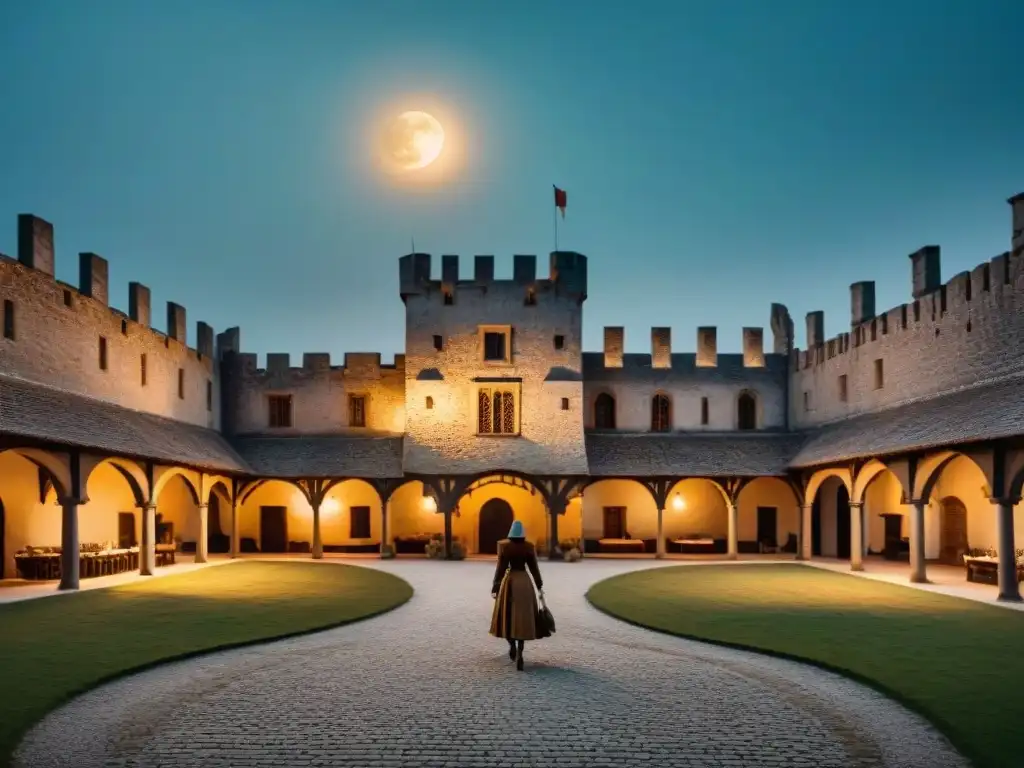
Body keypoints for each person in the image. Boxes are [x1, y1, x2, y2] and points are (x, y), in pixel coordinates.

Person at [489, 519, 544, 671]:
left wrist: (495, 585)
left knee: (507, 616)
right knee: (522, 619)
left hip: (510, 582)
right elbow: (534, 568)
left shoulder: (505, 547)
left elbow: (500, 568)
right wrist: (539, 584)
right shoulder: (529, 547)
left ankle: (512, 645)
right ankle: (520, 651)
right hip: (525, 583)